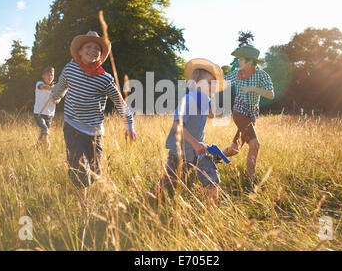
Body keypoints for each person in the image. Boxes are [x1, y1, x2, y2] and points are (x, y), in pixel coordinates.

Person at [51, 31, 136, 196]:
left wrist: (129, 125)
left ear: (101, 54)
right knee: (80, 167)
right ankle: (83, 208)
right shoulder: (70, 69)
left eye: (97, 48)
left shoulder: (105, 79)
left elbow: (120, 102)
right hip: (72, 125)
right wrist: (55, 97)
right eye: (88, 46)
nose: (93, 50)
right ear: (80, 52)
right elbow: (61, 86)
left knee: (95, 170)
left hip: (94, 131)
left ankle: (84, 191)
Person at [148, 58, 225, 204]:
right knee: (169, 183)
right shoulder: (188, 100)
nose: (213, 86)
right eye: (209, 82)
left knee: (211, 179)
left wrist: (212, 97)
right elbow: (177, 125)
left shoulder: (205, 101)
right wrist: (195, 143)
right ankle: (151, 198)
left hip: (198, 151)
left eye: (214, 84)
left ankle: (212, 212)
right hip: (181, 151)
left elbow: (212, 115)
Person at [222, 45, 274, 183]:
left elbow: (270, 94)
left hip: (251, 114)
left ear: (250, 61)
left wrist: (252, 89)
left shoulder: (262, 75)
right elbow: (221, 82)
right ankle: (252, 181)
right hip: (239, 111)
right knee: (255, 144)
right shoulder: (236, 74)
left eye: (241, 58)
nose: (238, 60)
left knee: (235, 149)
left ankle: (213, 159)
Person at [33, 67, 57, 150]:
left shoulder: (54, 86)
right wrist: (53, 88)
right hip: (39, 113)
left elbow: (57, 100)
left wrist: (57, 97)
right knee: (45, 130)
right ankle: (48, 149)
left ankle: (36, 149)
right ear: (43, 76)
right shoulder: (39, 83)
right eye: (48, 75)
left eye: (52, 75)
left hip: (50, 115)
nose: (50, 77)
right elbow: (45, 87)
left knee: (42, 135)